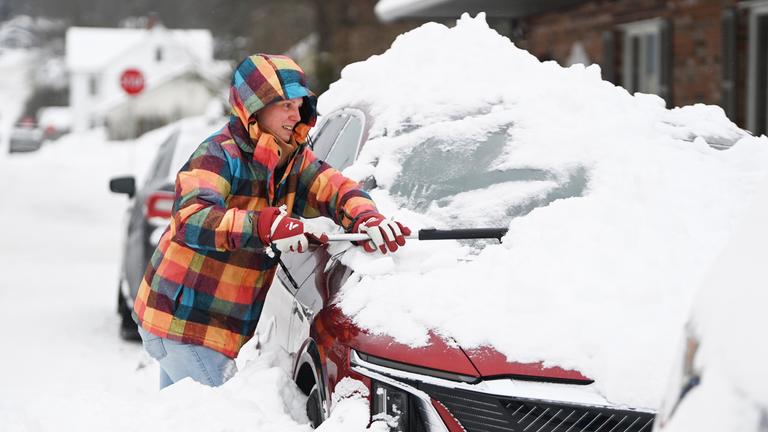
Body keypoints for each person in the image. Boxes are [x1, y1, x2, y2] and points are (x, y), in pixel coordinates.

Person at [133, 53, 409, 389]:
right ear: (254, 107)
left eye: (299, 105)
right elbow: (192, 217)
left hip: (212, 325)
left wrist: (366, 217)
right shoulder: (220, 154)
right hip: (185, 321)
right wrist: (265, 225)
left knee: (181, 417)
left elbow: (334, 188)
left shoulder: (291, 157)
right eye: (284, 106)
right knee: (216, 418)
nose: (295, 115)